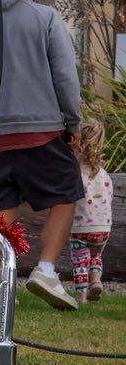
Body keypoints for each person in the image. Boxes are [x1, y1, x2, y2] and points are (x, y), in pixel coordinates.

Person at [0, 0, 84, 310]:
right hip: (41, 130)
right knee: (67, 192)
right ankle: (47, 270)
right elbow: (66, 77)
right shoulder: (46, 17)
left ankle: (3, 285)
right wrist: (73, 122)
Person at [68, 122, 112, 304]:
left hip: (80, 227)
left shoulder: (75, 173)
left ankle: (82, 297)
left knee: (80, 262)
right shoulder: (103, 175)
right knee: (95, 256)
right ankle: (96, 280)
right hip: (103, 229)